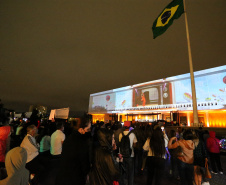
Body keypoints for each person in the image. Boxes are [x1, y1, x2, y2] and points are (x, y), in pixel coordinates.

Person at [56, 119, 91, 185]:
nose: (89, 131)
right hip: (75, 178)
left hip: (63, 176)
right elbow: (84, 164)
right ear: (81, 129)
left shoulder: (68, 138)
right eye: (88, 129)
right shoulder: (82, 143)